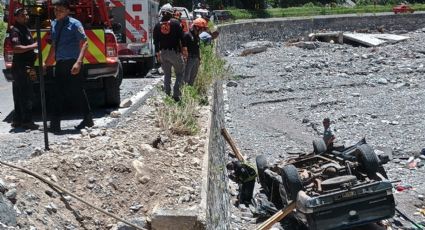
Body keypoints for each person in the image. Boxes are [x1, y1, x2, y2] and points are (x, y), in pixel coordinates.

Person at [44, 0, 93, 133]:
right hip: (60, 63)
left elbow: (84, 43)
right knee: (57, 93)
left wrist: (79, 62)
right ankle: (55, 124)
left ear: (67, 11)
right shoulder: (54, 24)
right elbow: (54, 45)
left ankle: (88, 119)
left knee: (77, 91)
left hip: (73, 62)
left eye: (60, 10)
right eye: (55, 10)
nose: (57, 12)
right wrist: (47, 62)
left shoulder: (75, 24)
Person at [10, 8, 39, 130]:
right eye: (22, 15)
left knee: (21, 93)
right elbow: (16, 48)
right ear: (16, 17)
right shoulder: (15, 30)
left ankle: (17, 120)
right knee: (26, 94)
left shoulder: (25, 28)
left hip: (28, 66)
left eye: (26, 15)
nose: (25, 17)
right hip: (21, 67)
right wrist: (34, 45)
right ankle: (26, 121)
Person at [153, 4, 187, 101]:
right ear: (171, 12)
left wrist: (157, 54)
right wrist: (184, 51)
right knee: (180, 73)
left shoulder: (157, 25)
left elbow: (155, 42)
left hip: (163, 53)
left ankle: (167, 95)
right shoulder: (176, 23)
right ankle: (176, 94)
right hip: (174, 52)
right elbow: (182, 38)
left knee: (167, 74)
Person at [182, 18, 208, 86]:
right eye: (202, 29)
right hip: (189, 58)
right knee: (186, 76)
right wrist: (185, 58)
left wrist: (199, 58)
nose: (203, 31)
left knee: (193, 76)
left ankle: (190, 90)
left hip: (196, 58)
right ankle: (184, 91)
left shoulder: (197, 36)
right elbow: (184, 48)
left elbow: (197, 47)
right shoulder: (187, 35)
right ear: (197, 27)